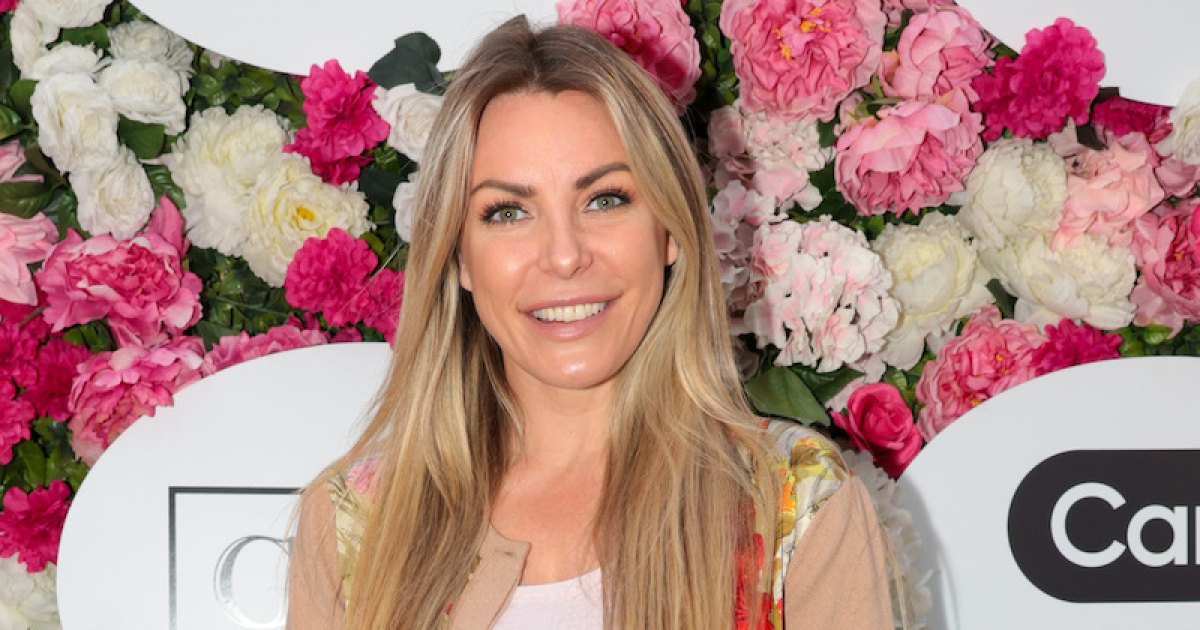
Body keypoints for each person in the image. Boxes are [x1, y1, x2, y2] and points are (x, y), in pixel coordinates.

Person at [287, 16, 894, 630]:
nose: (564, 255)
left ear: (670, 230)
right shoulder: (354, 525)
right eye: (507, 212)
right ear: (459, 255)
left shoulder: (795, 502)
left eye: (605, 200)